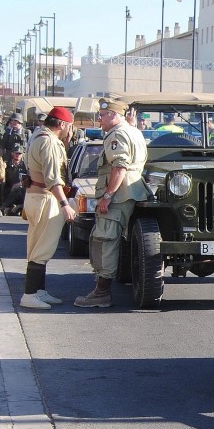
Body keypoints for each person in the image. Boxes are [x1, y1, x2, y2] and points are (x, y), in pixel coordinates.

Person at [74, 97, 151, 309]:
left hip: (119, 195)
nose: (100, 119)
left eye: (103, 115)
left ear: (114, 115)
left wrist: (107, 196)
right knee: (108, 238)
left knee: (105, 239)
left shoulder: (117, 134)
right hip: (131, 191)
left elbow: (119, 167)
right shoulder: (133, 131)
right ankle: (102, 289)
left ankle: (102, 292)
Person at [19, 106, 77, 309]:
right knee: (42, 248)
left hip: (35, 195)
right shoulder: (50, 142)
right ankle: (30, 294)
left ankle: (38, 291)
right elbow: (53, 179)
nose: (71, 130)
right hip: (46, 197)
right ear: (61, 124)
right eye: (69, 126)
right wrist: (64, 204)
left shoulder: (38, 135)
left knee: (36, 246)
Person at [3, 141, 27, 215]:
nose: (18, 155)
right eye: (16, 153)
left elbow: (29, 177)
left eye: (19, 153)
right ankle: (10, 208)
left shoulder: (26, 165)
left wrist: (20, 183)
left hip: (22, 189)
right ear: (12, 153)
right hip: (9, 188)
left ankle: (17, 207)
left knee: (20, 189)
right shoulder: (6, 164)